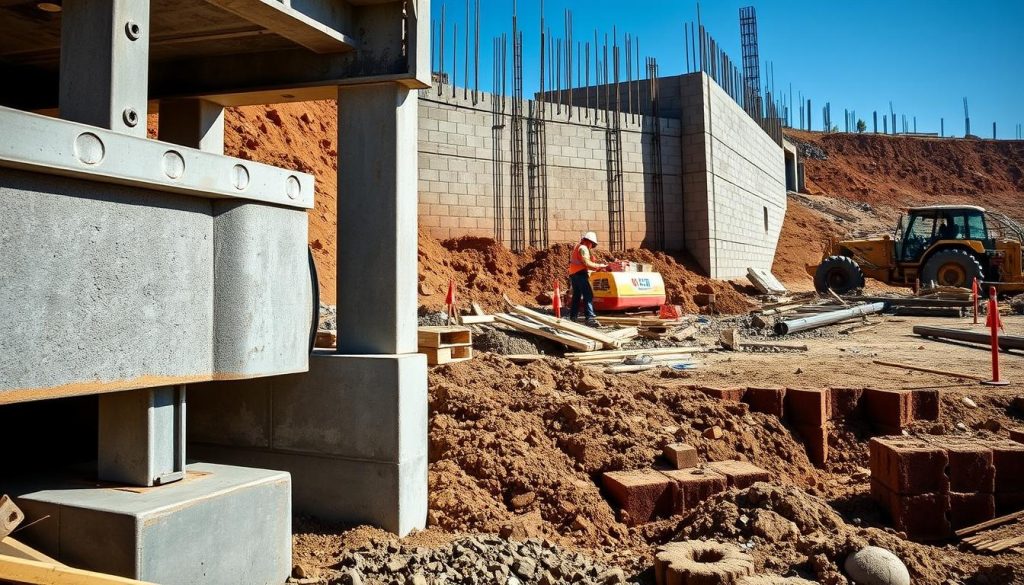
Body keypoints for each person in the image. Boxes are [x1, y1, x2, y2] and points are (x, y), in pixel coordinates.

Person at [568, 231, 608, 327]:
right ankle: (590, 318)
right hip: (580, 274)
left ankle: (573, 317)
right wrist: (599, 266)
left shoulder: (578, 247)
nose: (592, 246)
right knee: (588, 295)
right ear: (589, 242)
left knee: (576, 296)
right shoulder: (583, 248)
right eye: (592, 244)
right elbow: (587, 263)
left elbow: (583, 262)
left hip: (574, 274)